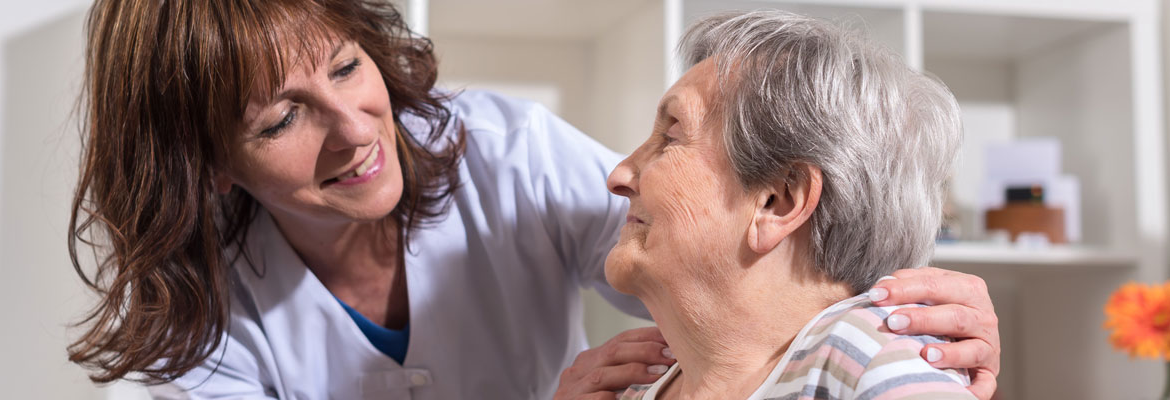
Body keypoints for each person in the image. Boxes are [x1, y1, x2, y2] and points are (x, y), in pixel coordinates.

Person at [66, 0, 1001, 399]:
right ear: (210, 168)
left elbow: (736, 271)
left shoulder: (505, 153)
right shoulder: (204, 328)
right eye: (281, 121)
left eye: (350, 67)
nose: (356, 128)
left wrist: (893, 306)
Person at [600, 11, 974, 399]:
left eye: (672, 136)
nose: (619, 175)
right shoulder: (636, 390)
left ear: (778, 201)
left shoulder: (874, 358)